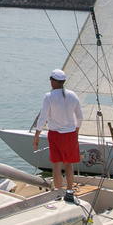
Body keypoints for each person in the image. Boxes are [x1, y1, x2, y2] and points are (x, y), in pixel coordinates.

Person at [32, 69, 83, 203]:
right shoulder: (73, 95)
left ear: (52, 81)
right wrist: (76, 131)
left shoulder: (49, 96)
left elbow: (43, 118)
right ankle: (69, 191)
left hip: (55, 135)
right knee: (69, 164)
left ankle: (58, 193)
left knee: (56, 165)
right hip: (70, 133)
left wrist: (36, 136)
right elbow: (79, 116)